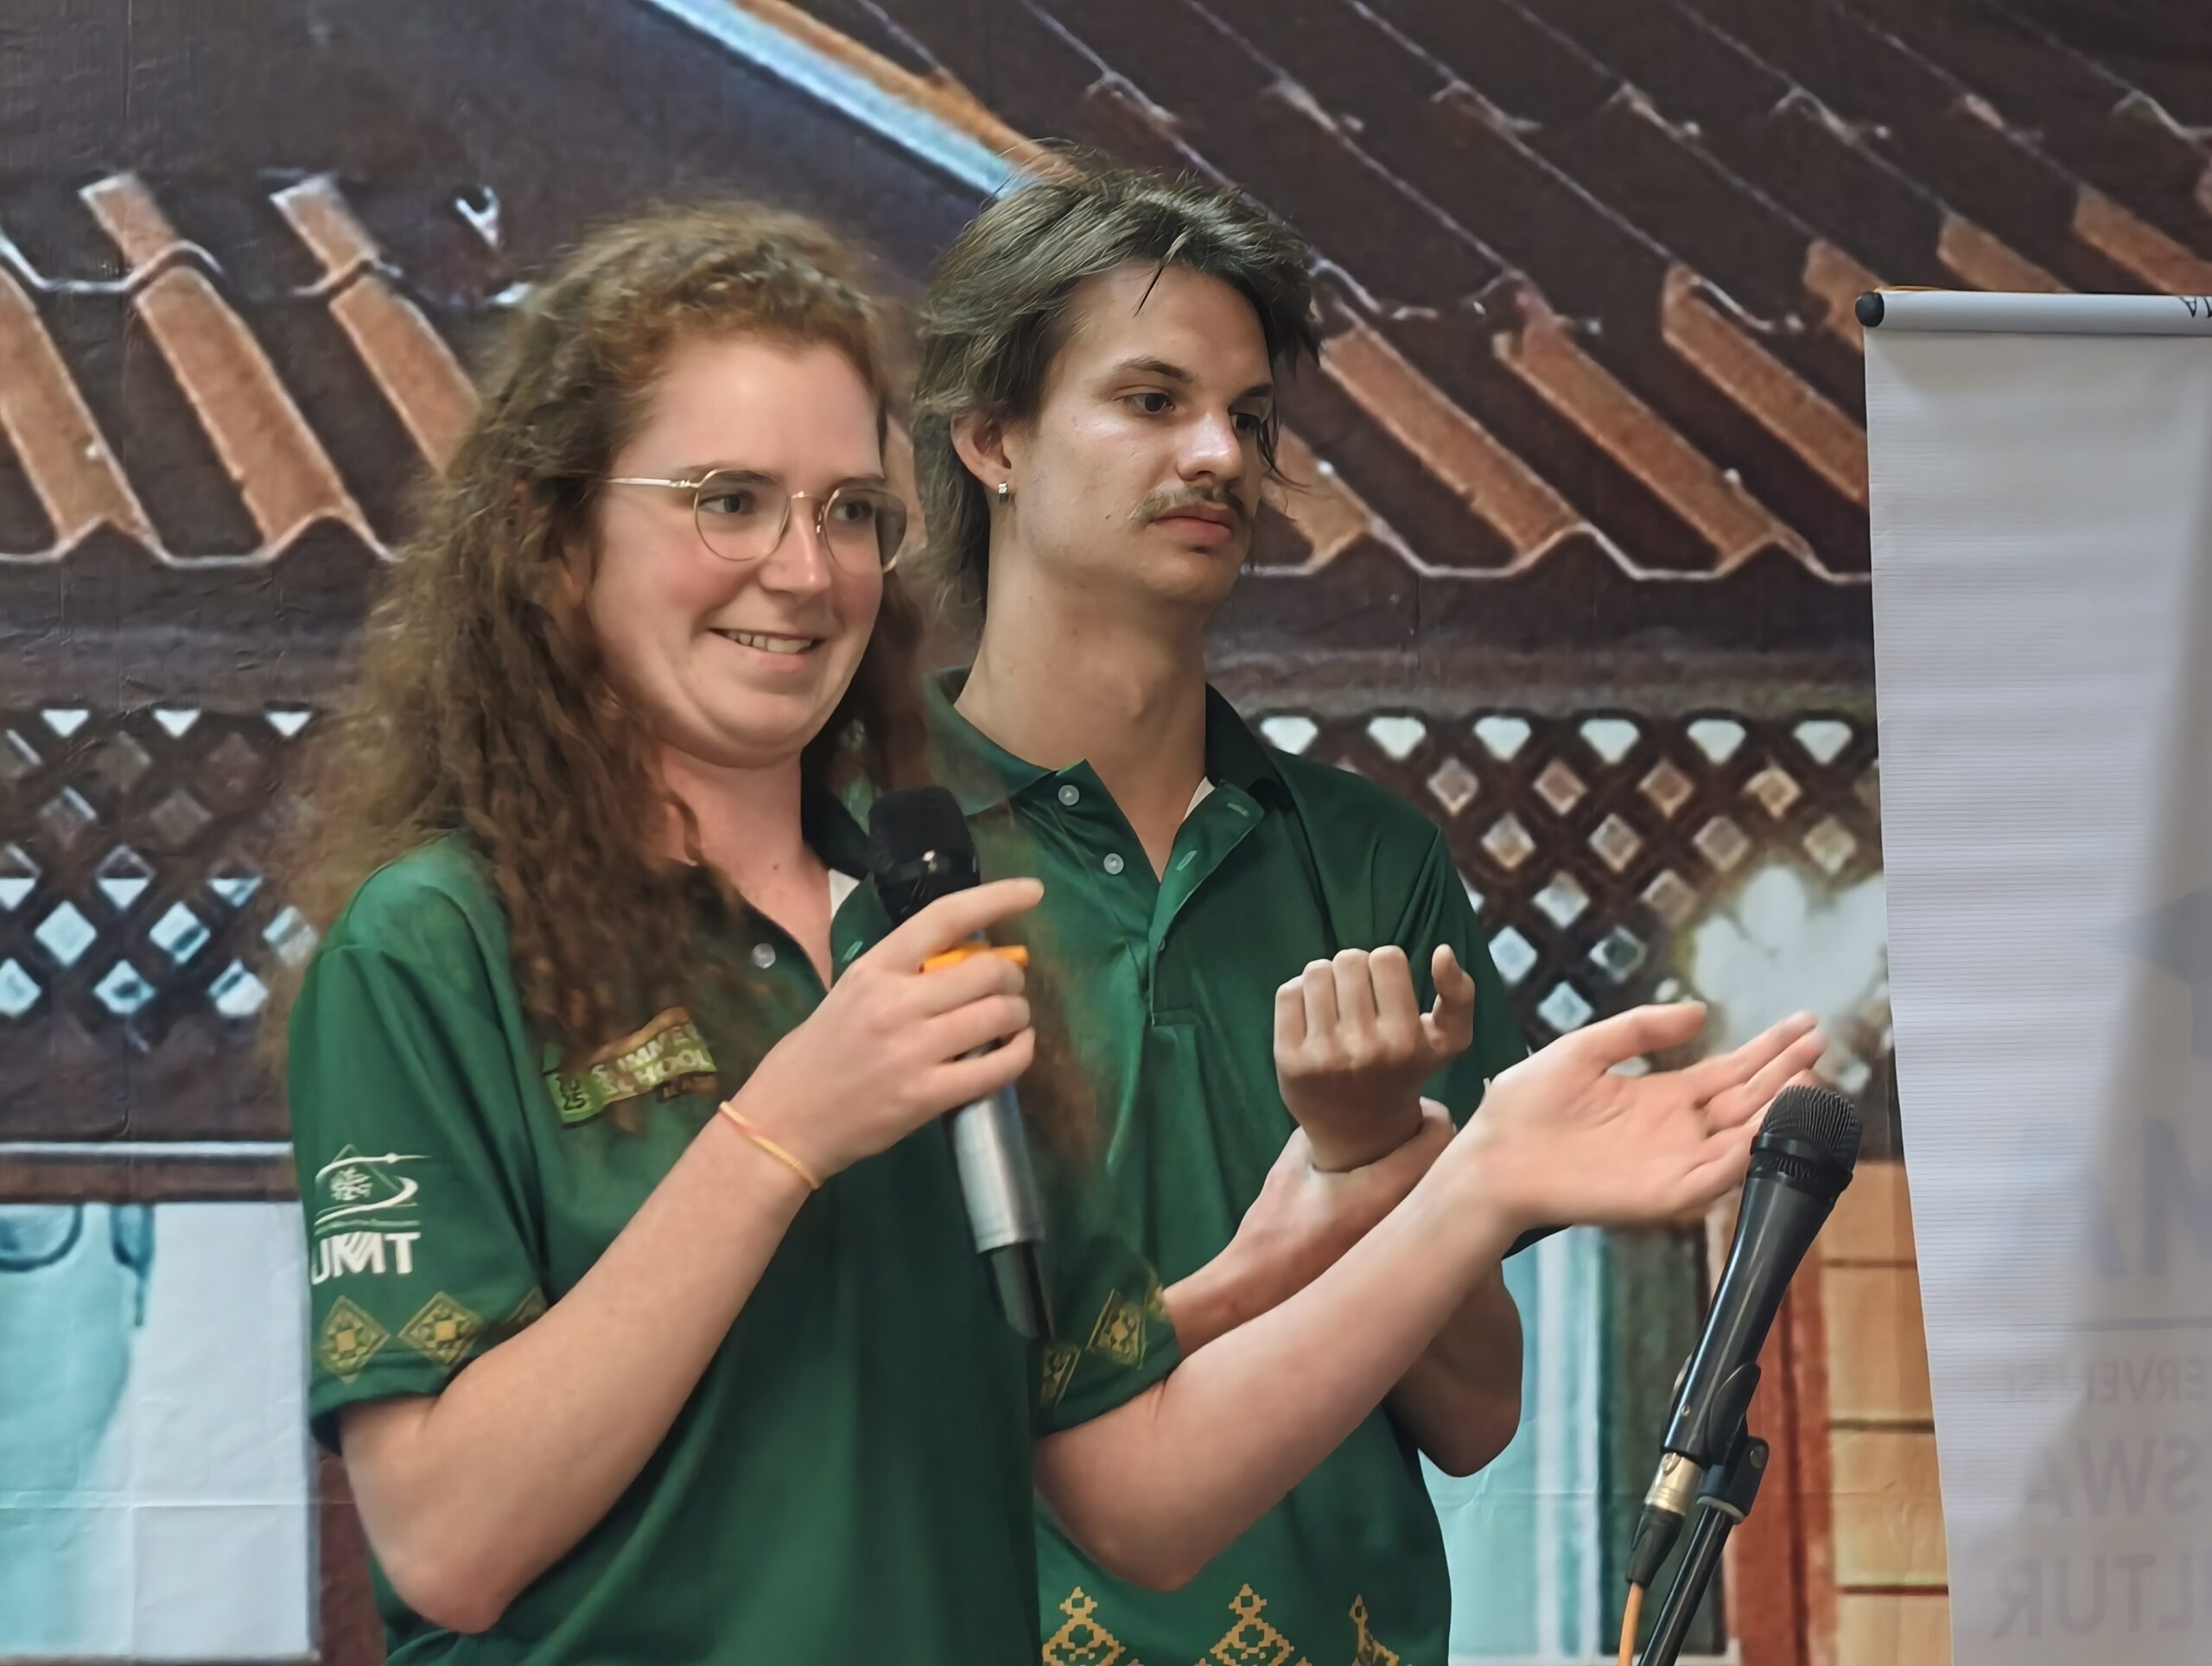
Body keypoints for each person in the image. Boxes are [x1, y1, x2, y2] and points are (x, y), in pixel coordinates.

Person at [273, 198, 1821, 1664]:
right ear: (555, 538)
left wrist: (1465, 1190)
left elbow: (1131, 1492)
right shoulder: (432, 947)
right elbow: (449, 1543)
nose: (803, 571)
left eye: (850, 513)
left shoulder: (937, 930)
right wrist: (784, 1129)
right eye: (728, 502)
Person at [888, 156, 1821, 1665]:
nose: (1219, 455)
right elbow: (838, 1403)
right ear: (991, 436)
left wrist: (1378, 1151)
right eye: (1151, 400)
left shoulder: (1367, 861)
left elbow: (1474, 1415)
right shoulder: (869, 847)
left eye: (1250, 419)